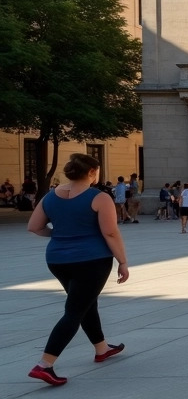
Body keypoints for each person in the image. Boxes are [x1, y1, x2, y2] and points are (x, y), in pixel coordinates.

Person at [25, 152, 130, 387]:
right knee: (75, 310)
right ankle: (44, 364)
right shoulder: (99, 197)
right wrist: (122, 261)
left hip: (57, 260)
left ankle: (101, 348)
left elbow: (34, 227)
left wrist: (61, 234)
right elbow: (111, 232)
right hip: (91, 260)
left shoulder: (50, 196)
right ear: (92, 172)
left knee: (84, 303)